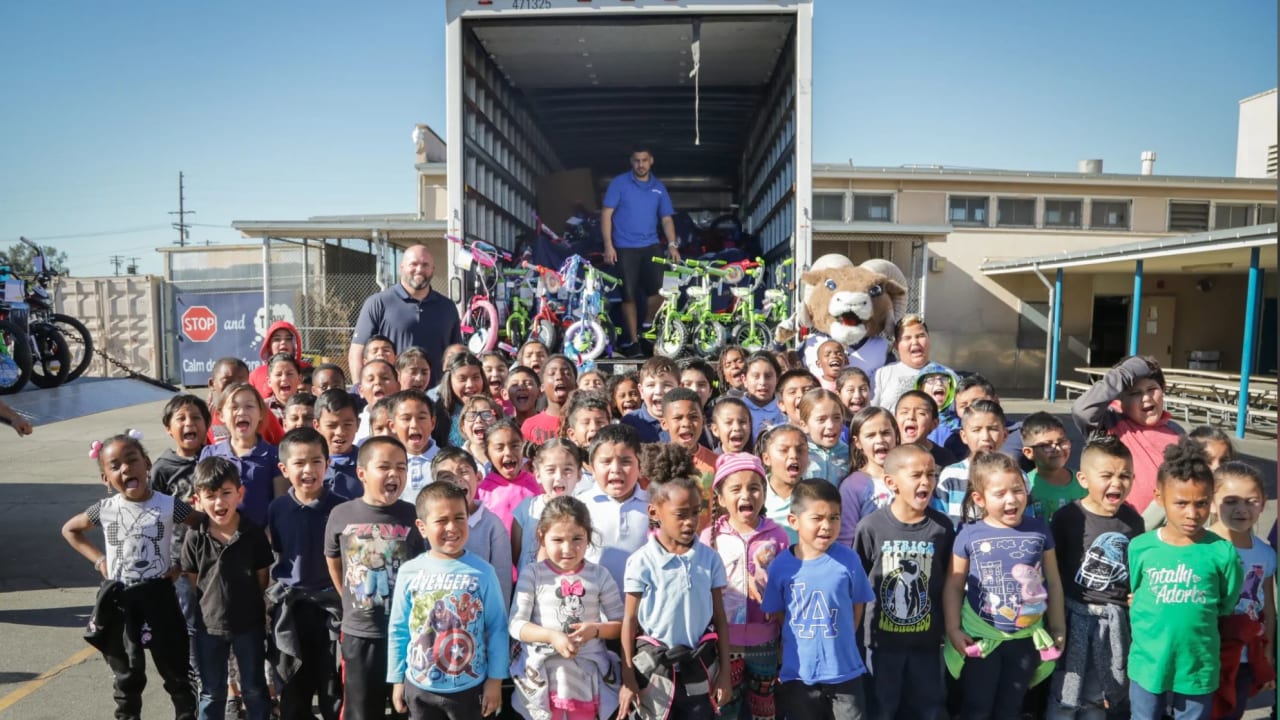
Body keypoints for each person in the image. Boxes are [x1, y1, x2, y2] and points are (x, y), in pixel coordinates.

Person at [61, 432, 200, 720]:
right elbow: (70, 530)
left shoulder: (168, 504)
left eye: (131, 460)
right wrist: (99, 560)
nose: (125, 469)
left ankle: (186, 713)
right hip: (120, 600)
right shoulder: (105, 510)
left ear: (147, 464)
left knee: (174, 666)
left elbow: (201, 524)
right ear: (105, 479)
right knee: (127, 671)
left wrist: (182, 563)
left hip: (159, 595)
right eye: (115, 466)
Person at [942, 452, 1066, 720]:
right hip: (981, 637)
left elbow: (1053, 582)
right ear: (979, 499)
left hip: (1025, 640)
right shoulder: (968, 534)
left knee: (1010, 709)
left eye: (1017, 490)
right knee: (976, 708)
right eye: (1000, 494)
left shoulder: (1039, 530)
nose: (1011, 499)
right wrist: (953, 628)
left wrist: (1057, 627)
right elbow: (954, 585)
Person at [1126, 440, 1243, 720]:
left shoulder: (1222, 552)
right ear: (1159, 498)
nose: (1192, 513)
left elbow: (1226, 602)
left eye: (1201, 503)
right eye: (1181, 503)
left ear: (1212, 499)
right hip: (1148, 664)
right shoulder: (1140, 547)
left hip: (1197, 665)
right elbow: (1135, 590)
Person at [324, 436, 427, 720]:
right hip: (359, 632)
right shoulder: (341, 514)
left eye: (401, 467)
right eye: (384, 467)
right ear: (362, 474)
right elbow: (334, 562)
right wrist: (351, 598)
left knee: (405, 705)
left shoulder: (413, 516)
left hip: (405, 633)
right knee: (361, 708)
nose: (394, 474)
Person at [388, 482, 509, 719]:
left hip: (469, 687)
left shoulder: (483, 572)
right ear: (422, 527)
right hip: (419, 687)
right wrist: (396, 679)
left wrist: (495, 680)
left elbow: (497, 628)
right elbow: (399, 628)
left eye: (459, 518)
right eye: (441, 520)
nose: (452, 527)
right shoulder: (409, 571)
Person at [852, 444, 955, 720]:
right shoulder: (871, 527)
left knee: (929, 709)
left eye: (931, 474)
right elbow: (858, 587)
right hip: (881, 645)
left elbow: (949, 582)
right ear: (891, 482)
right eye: (916, 475)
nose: (926, 482)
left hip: (926, 643)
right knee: (882, 709)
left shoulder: (942, 528)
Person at [1046, 435, 1143, 720]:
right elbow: (1052, 569)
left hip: (1113, 622)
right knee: (1064, 692)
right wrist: (1055, 620)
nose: (1117, 483)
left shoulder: (1133, 521)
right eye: (1107, 475)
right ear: (1084, 479)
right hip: (1073, 618)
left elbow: (1135, 568)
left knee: (1097, 695)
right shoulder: (1068, 516)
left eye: (1125, 475)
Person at [620, 476, 732, 720]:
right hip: (655, 674)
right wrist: (628, 676)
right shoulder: (641, 561)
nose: (690, 522)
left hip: (700, 667)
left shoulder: (710, 559)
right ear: (654, 512)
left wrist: (724, 671)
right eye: (681, 515)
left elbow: (720, 619)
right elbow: (629, 620)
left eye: (695, 512)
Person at [762, 479, 875, 720]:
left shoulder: (850, 560)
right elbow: (780, 614)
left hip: (845, 672)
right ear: (794, 521)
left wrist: (842, 635)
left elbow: (857, 606)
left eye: (834, 517)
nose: (827, 526)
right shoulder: (780, 566)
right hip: (799, 675)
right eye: (817, 518)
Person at [509, 495, 624, 720]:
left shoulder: (599, 575)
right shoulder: (533, 574)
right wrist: (552, 636)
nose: (568, 548)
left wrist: (596, 630)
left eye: (577, 538)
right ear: (542, 537)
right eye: (558, 539)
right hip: (544, 677)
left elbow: (621, 625)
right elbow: (516, 625)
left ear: (589, 538)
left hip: (587, 680)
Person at [181, 456, 274, 720]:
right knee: (212, 691)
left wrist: (258, 609)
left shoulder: (252, 533)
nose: (219, 502)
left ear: (239, 493)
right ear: (198, 499)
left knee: (254, 688)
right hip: (208, 627)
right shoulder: (195, 534)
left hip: (249, 625)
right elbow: (192, 577)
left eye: (226, 493)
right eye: (210, 496)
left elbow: (262, 575)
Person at [700, 453, 789, 720]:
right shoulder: (711, 536)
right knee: (726, 707)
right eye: (736, 489)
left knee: (765, 707)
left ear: (764, 492)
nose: (746, 495)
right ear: (720, 498)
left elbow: (786, 586)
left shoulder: (778, 535)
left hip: (767, 641)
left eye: (754, 487)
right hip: (726, 643)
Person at [266, 428, 345, 720]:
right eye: (299, 463)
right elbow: (278, 554)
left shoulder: (341, 509)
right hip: (291, 609)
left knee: (331, 689)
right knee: (293, 688)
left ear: (328, 464)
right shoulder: (277, 508)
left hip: (330, 609)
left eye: (316, 461)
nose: (308, 469)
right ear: (285, 469)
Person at [1070, 355, 1182, 523]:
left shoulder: (1177, 432)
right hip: (1121, 526)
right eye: (1135, 393)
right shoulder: (1109, 424)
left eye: (1152, 389)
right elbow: (1082, 410)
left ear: (1163, 389)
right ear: (1119, 400)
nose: (1146, 398)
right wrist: (1128, 371)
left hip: (1170, 530)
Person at [1208, 461, 1276, 720]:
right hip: (1204, 651)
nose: (1241, 509)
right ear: (1212, 502)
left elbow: (1267, 605)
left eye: (1251, 501)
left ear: (1263, 503)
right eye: (1231, 501)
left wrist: (1268, 652)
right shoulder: (1200, 545)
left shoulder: (1266, 554)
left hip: (1246, 656)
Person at [601, 146, 681, 358]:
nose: (641, 164)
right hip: (624, 247)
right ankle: (634, 342)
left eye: (644, 160)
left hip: (651, 245)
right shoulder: (619, 183)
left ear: (651, 161)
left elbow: (666, 218)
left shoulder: (658, 188)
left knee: (664, 290)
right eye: (636, 160)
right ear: (631, 161)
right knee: (628, 295)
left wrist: (672, 244)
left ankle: (647, 326)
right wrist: (608, 246)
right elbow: (606, 214)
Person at [349, 245, 461, 390]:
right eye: (413, 264)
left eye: (425, 265)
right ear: (401, 268)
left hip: (437, 399)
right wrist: (361, 393)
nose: (419, 269)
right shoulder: (378, 303)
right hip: (392, 399)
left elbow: (457, 355)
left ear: (433, 269)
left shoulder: (447, 307)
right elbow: (356, 354)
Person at [432, 447, 514, 606]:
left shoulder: (492, 525)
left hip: (480, 612)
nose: (457, 480)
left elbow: (502, 579)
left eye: (463, 472)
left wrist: (498, 622)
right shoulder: (430, 523)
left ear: (478, 477)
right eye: (447, 476)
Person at [579, 424, 650, 592]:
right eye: (606, 462)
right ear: (592, 468)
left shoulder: (654, 506)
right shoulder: (580, 507)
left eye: (626, 462)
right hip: (595, 612)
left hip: (645, 612)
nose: (616, 470)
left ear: (640, 466)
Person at [200, 383, 282, 528]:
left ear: (261, 413)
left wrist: (269, 536)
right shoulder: (209, 454)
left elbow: (280, 504)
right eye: (234, 407)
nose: (241, 412)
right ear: (220, 415)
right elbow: (202, 503)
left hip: (260, 542)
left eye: (249, 406)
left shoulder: (274, 456)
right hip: (220, 542)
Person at [511, 440, 584, 572]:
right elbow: (516, 554)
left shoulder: (584, 511)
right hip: (529, 586)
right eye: (551, 470)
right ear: (538, 475)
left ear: (579, 475)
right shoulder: (526, 509)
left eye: (567, 470)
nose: (558, 477)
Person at [837, 406, 900, 546]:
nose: (880, 440)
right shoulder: (853, 485)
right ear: (857, 442)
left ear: (896, 434)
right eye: (870, 435)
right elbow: (846, 538)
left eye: (886, 433)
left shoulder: (907, 477)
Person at [659, 387, 720, 525]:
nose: (686, 424)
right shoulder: (655, 464)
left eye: (693, 417)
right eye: (678, 418)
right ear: (664, 423)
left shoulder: (716, 463)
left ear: (703, 420)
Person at [477, 420, 541, 536]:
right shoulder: (481, 491)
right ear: (487, 455)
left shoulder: (537, 485)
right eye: (499, 448)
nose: (508, 452)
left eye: (515, 446)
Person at [873, 315, 946, 412]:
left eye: (920, 336)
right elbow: (872, 413)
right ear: (896, 345)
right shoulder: (882, 374)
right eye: (907, 338)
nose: (915, 342)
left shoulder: (947, 375)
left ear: (929, 339)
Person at [1022, 412, 1082, 523]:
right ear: (1029, 452)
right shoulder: (1024, 487)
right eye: (1046, 445)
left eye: (1061, 442)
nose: (1057, 449)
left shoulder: (1084, 482)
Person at [759, 424, 809, 545]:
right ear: (766, 458)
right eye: (783, 450)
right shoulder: (756, 493)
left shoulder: (815, 494)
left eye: (800, 450)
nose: (793, 456)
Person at [388, 390, 440, 504]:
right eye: (406, 419)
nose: (414, 425)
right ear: (392, 426)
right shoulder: (386, 463)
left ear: (432, 423)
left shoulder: (445, 462)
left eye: (421, 418)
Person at [314, 389, 362, 501]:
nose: (340, 432)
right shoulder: (309, 464)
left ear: (358, 424)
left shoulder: (367, 462)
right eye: (331, 425)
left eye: (347, 424)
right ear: (317, 426)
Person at [894, 389, 958, 470]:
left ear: (934, 424)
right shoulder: (886, 452)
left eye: (921, 413)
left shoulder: (945, 460)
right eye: (904, 412)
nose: (911, 417)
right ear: (895, 419)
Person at [249, 320, 311, 401]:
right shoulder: (256, 375)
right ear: (269, 345)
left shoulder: (307, 370)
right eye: (277, 339)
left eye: (288, 339)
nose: (283, 342)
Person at [621, 357, 678, 443]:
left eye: (667, 385)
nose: (659, 391)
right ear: (641, 391)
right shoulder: (630, 422)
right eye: (651, 385)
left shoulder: (686, 421)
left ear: (680, 388)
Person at [800, 388, 850, 485]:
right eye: (821, 419)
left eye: (836, 418)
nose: (831, 425)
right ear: (804, 425)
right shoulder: (799, 453)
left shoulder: (849, 454)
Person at [523, 355, 577, 444]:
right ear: (542, 387)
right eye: (552, 373)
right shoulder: (529, 425)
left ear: (576, 385)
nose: (559, 377)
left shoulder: (584, 422)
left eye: (566, 373)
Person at [742, 352, 786, 441]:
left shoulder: (785, 410)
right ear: (744, 379)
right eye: (756, 376)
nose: (762, 382)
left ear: (777, 379)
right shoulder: (737, 409)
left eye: (768, 376)